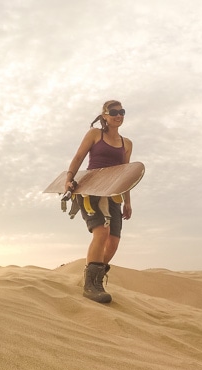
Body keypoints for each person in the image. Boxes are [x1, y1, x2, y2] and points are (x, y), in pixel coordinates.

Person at [65, 100, 133, 303]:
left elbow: (127, 174)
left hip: (114, 194)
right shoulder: (95, 134)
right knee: (101, 231)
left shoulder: (127, 143)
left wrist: (128, 202)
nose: (118, 115)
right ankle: (90, 287)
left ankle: (94, 278)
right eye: (113, 112)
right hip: (91, 190)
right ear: (104, 115)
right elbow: (78, 157)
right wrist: (69, 179)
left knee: (113, 241)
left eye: (122, 111)